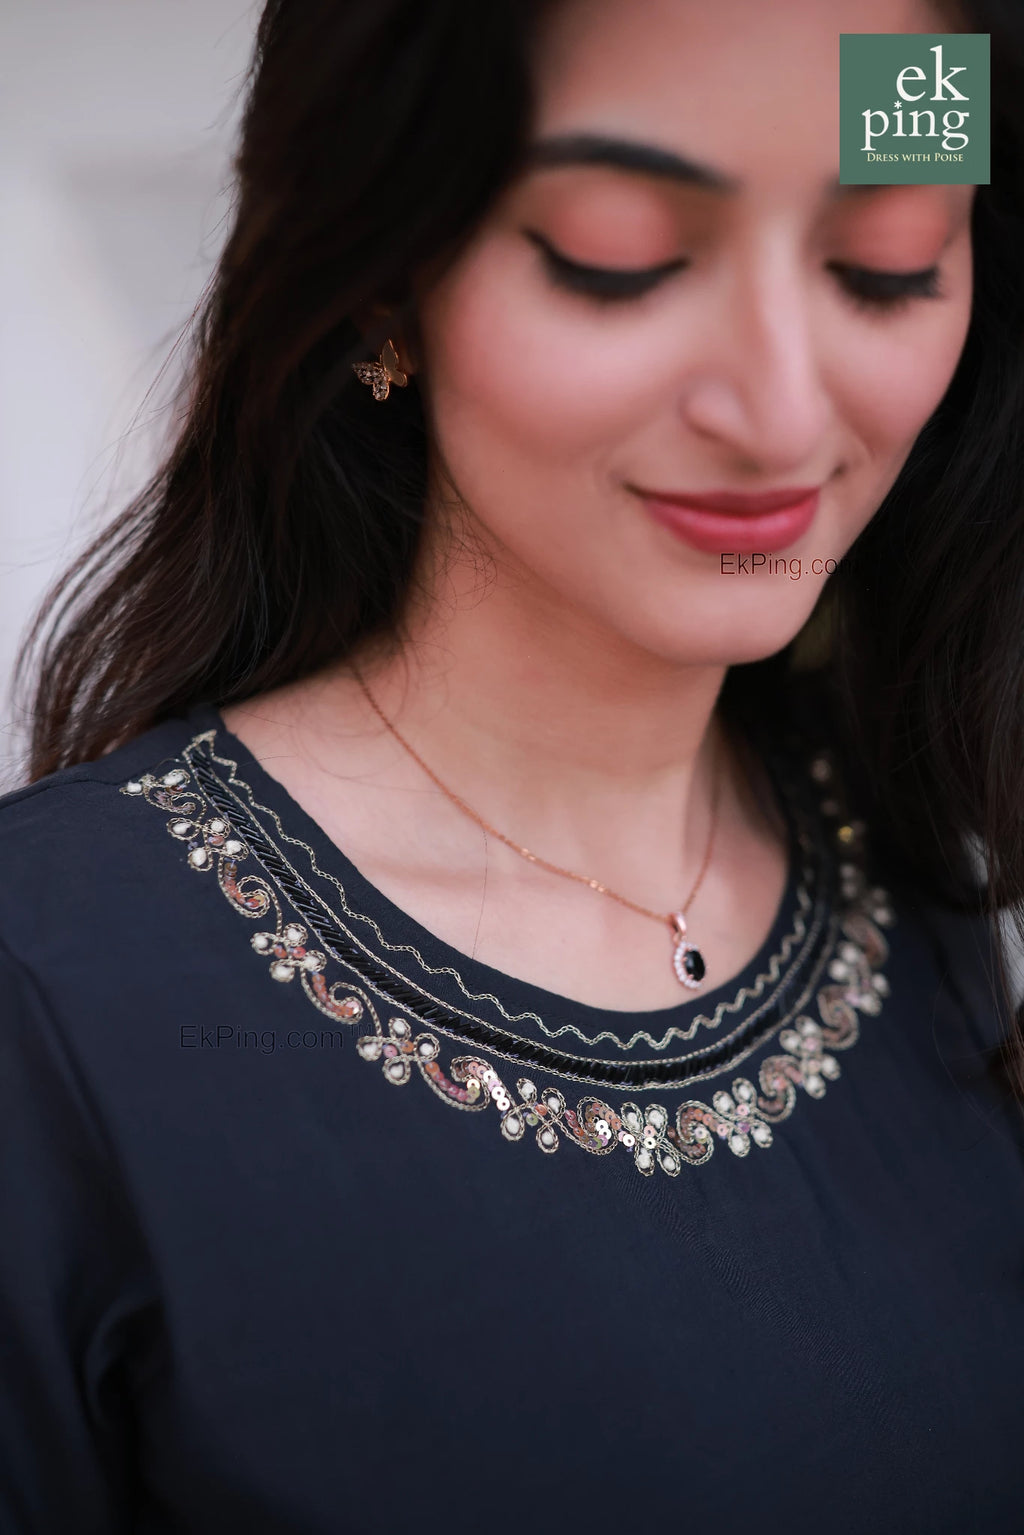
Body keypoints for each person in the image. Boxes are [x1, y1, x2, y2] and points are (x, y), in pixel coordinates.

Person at [3, 0, 1024, 1529]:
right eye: (621, 256)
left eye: (885, 262)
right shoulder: (49, 992)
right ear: (380, 278)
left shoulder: (923, 842)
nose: (783, 410)